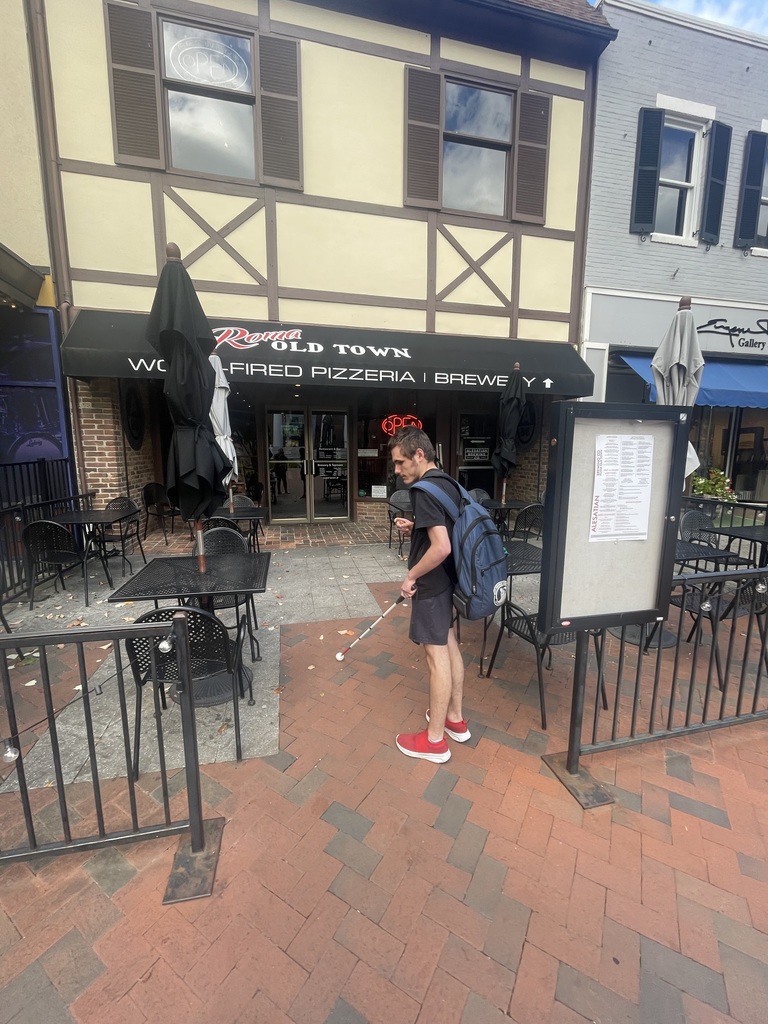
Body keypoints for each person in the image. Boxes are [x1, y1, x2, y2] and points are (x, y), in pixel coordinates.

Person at [388, 426, 469, 763]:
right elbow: (445, 528)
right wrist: (416, 524)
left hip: (432, 584)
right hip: (450, 581)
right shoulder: (448, 483)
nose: (396, 470)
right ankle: (455, 720)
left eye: (399, 462)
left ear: (419, 455)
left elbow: (441, 547)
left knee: (436, 659)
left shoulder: (423, 490)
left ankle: (435, 742)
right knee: (449, 646)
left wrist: (410, 577)